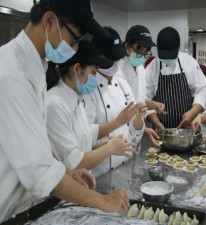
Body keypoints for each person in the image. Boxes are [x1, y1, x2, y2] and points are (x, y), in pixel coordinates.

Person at [0, 0, 129, 222]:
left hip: (20, 208)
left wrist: (66, 174)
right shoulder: (12, 73)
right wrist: (102, 201)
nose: (75, 49)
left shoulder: (34, 67)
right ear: (50, 21)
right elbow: (37, 172)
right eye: (75, 39)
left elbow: (33, 151)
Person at [46, 40, 136, 172]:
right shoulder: (54, 104)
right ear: (77, 69)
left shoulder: (76, 98)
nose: (95, 78)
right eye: (93, 72)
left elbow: (82, 141)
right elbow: (73, 163)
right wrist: (109, 149)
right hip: (63, 187)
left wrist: (101, 145)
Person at [84, 27, 147, 176]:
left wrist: (138, 116)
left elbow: (134, 130)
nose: (115, 63)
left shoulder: (122, 84)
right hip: (101, 171)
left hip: (125, 166)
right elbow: (85, 134)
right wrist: (118, 122)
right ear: (98, 56)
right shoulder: (88, 87)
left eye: (117, 58)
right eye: (111, 59)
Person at [146, 27, 206, 130]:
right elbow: (145, 100)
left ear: (179, 47)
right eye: (164, 56)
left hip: (188, 131)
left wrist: (193, 112)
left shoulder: (189, 62)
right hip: (162, 132)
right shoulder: (152, 67)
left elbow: (203, 89)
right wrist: (155, 121)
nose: (168, 59)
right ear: (157, 49)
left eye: (171, 56)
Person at [116, 25, 164, 147]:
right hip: (120, 135)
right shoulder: (117, 70)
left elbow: (139, 99)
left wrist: (151, 104)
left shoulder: (140, 67)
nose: (142, 55)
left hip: (136, 130)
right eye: (139, 50)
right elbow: (122, 107)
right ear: (127, 46)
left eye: (146, 52)